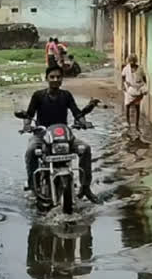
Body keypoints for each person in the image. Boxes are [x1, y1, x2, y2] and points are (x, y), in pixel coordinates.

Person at [23, 66, 100, 204]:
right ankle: (33, 187)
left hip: (64, 135)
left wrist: (84, 122)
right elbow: (29, 114)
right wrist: (27, 125)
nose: (55, 79)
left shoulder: (66, 95)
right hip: (42, 134)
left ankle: (85, 187)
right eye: (52, 77)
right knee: (30, 151)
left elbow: (76, 112)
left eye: (58, 77)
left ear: (62, 79)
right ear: (46, 78)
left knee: (86, 148)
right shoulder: (38, 95)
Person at [121, 54, 148, 131]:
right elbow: (123, 76)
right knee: (127, 105)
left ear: (135, 61)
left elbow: (144, 77)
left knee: (137, 106)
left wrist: (144, 86)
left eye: (133, 61)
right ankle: (128, 122)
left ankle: (136, 123)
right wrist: (124, 85)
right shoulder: (126, 68)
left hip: (138, 89)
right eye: (130, 61)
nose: (131, 63)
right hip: (129, 89)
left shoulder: (140, 68)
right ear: (129, 61)